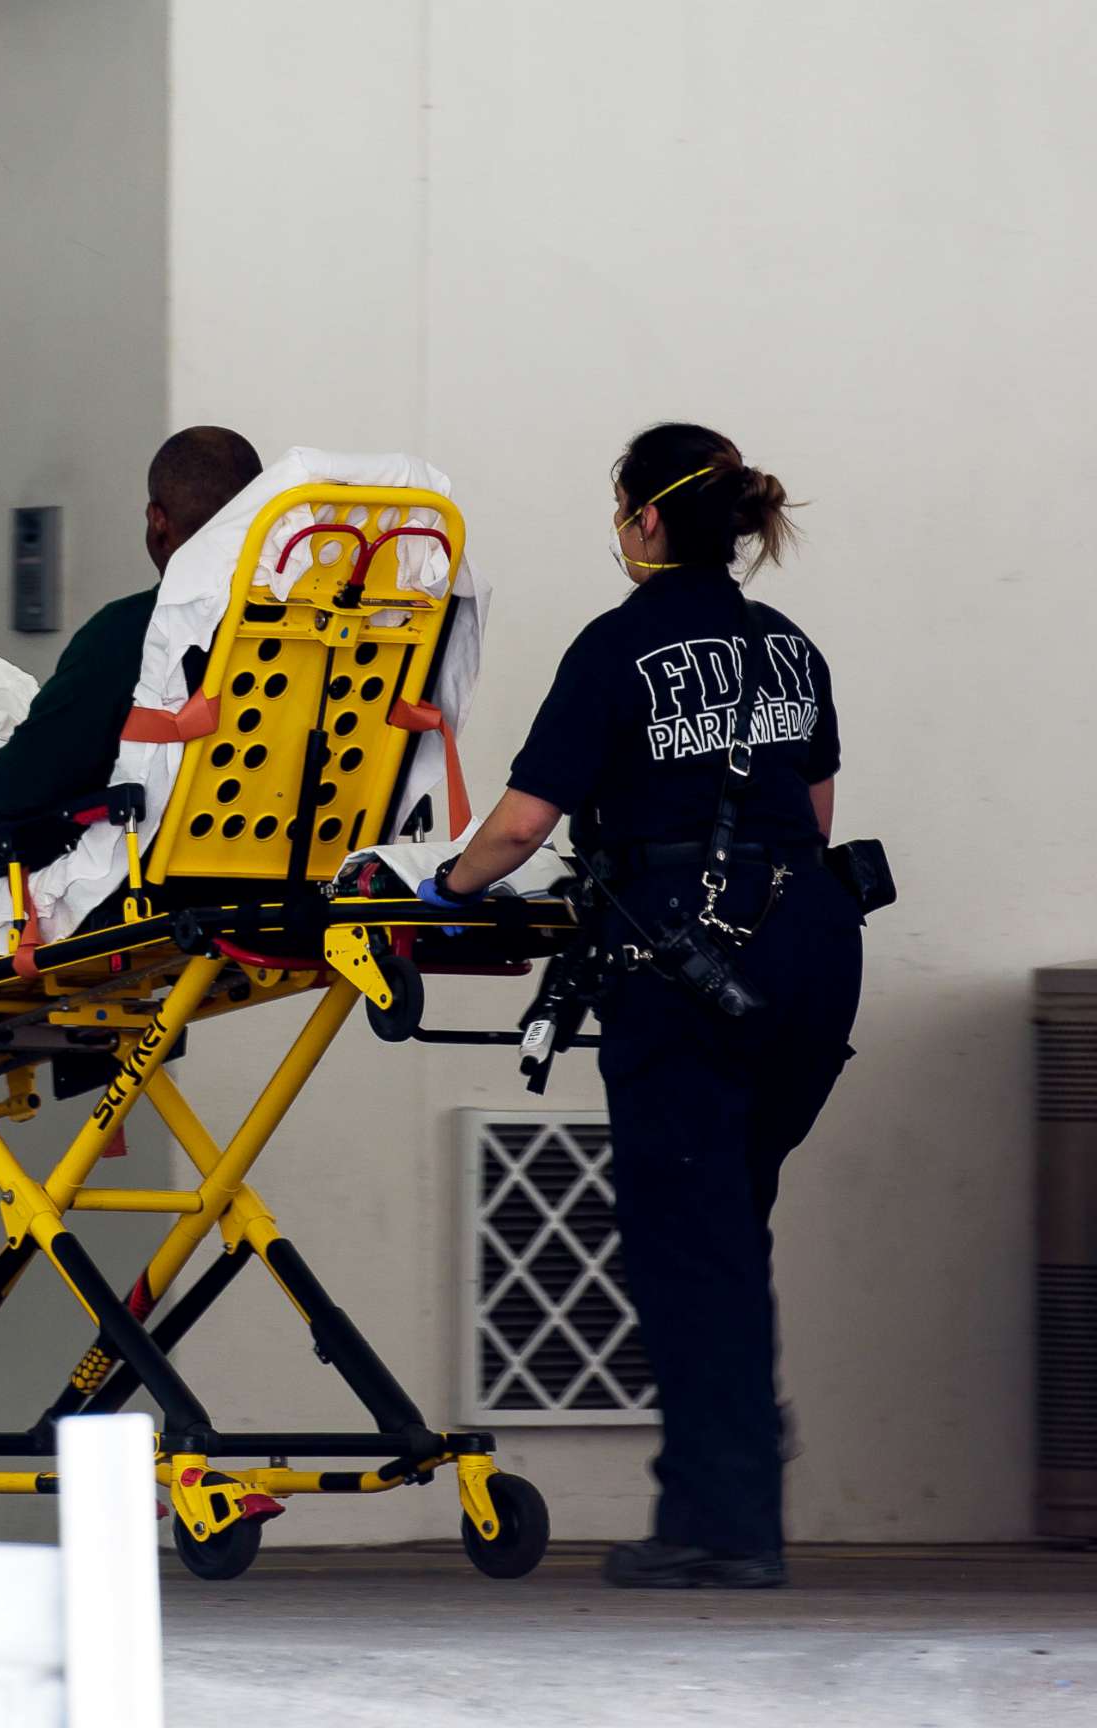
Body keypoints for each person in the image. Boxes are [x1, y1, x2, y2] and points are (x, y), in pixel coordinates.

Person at [423, 422, 863, 1589]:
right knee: (724, 1227)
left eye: (623, 511)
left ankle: (725, 1525)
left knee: (691, 1241)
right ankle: (734, 1480)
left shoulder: (618, 650)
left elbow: (521, 826)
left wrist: (439, 889)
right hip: (812, 961)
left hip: (687, 966)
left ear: (650, 520)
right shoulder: (790, 649)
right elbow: (811, 820)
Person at [0, 426, 262, 821]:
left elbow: (15, 794)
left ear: (157, 519)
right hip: (309, 862)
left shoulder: (129, 635)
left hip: (154, 871)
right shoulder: (316, 630)